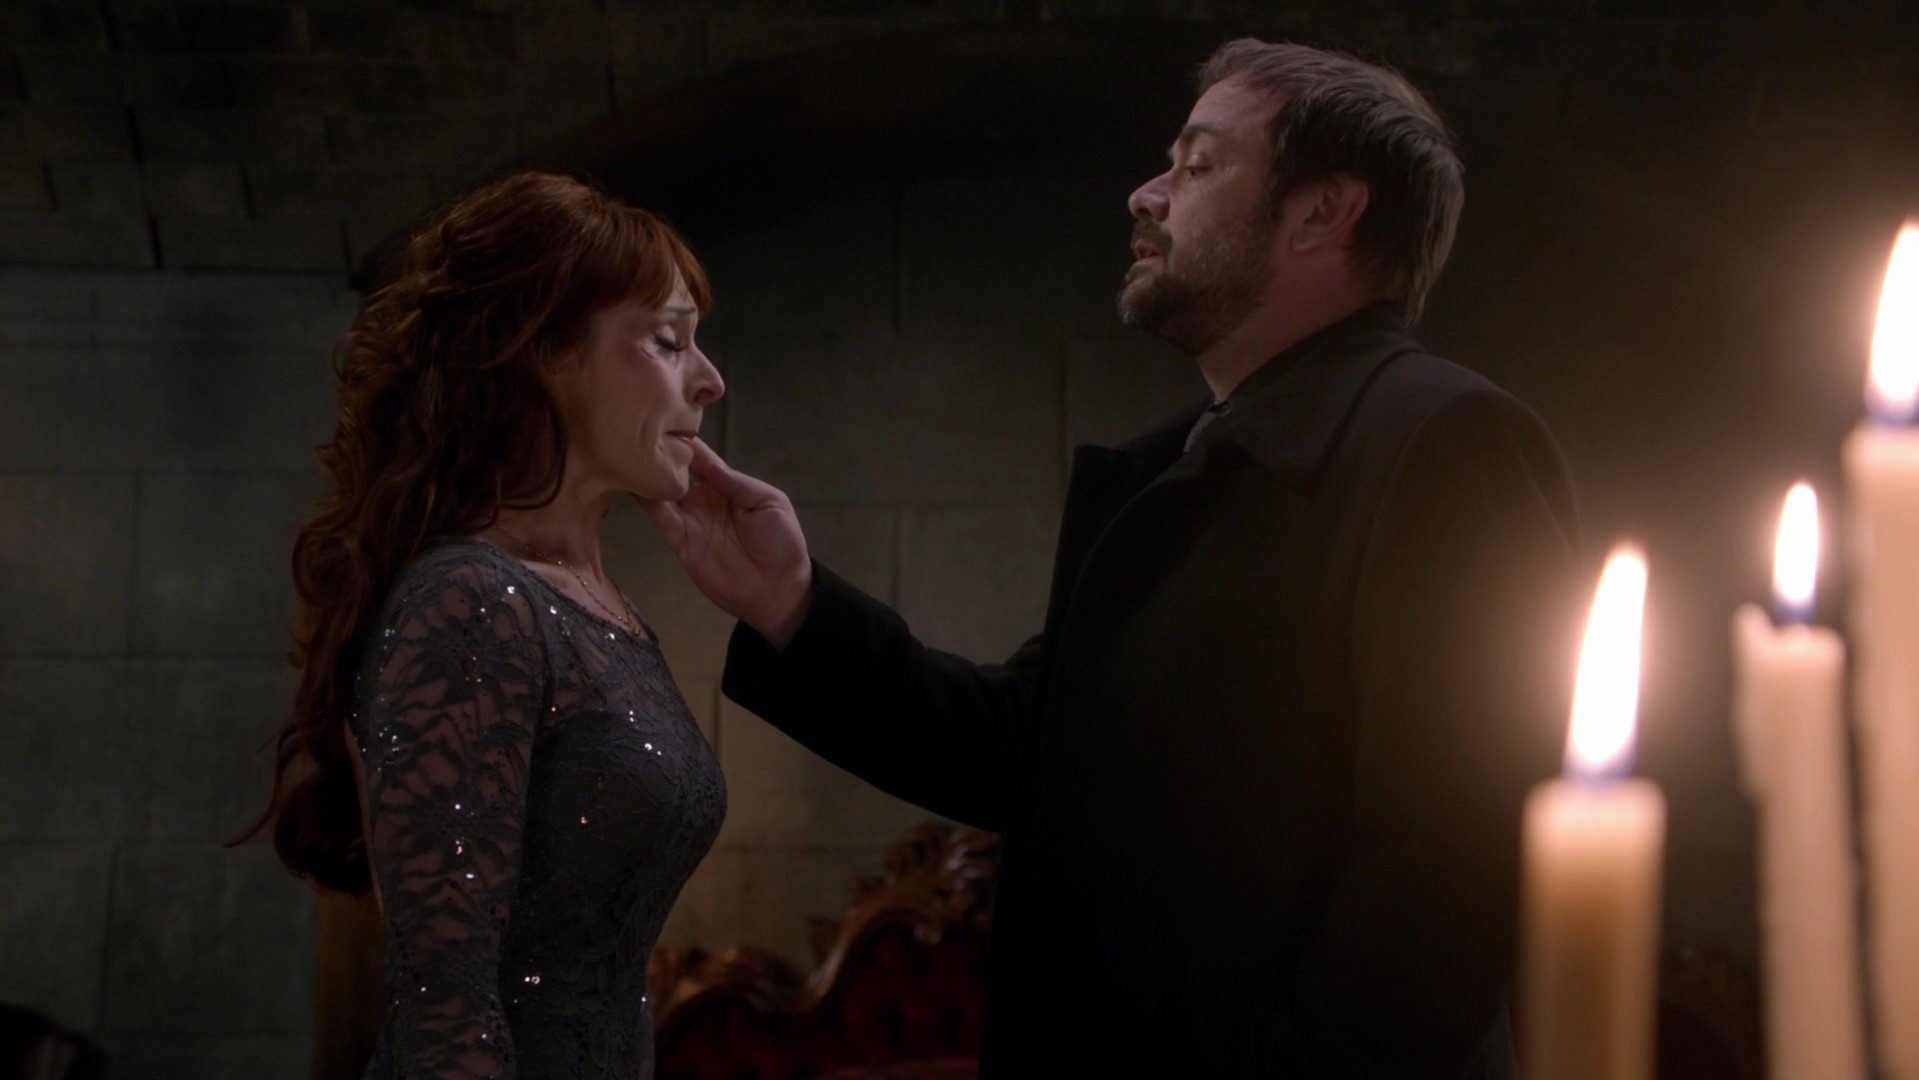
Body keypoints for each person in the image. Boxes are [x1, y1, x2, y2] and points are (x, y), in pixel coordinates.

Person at [646, 39, 1582, 1079]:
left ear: (1324, 211)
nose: (1146, 195)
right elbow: (1026, 750)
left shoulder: (1450, 439)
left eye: (1198, 164)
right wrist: (792, 605)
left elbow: (1451, 874)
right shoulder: (1171, 466)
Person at [238, 171, 728, 1079]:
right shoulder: (472, 600)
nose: (710, 380)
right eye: (669, 341)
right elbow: (446, 1011)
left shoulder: (602, 604)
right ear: (544, 352)